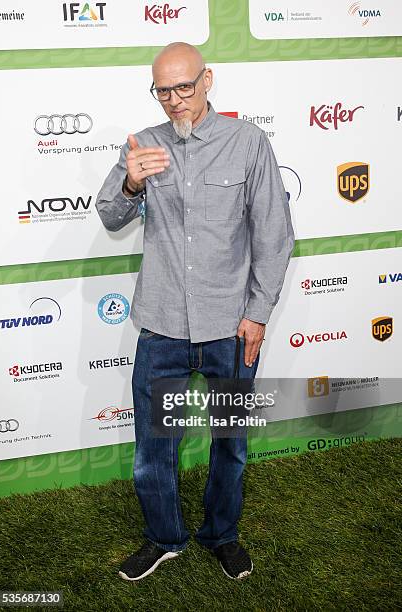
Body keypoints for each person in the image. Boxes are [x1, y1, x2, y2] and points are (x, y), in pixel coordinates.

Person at [95, 41, 295, 581]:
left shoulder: (248, 143)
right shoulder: (142, 144)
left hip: (230, 328)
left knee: (230, 445)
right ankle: (163, 537)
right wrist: (132, 181)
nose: (176, 100)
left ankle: (221, 535)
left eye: (185, 86)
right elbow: (112, 217)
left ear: (208, 80)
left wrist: (257, 314)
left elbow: (275, 237)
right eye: (164, 90)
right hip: (161, 327)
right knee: (155, 448)